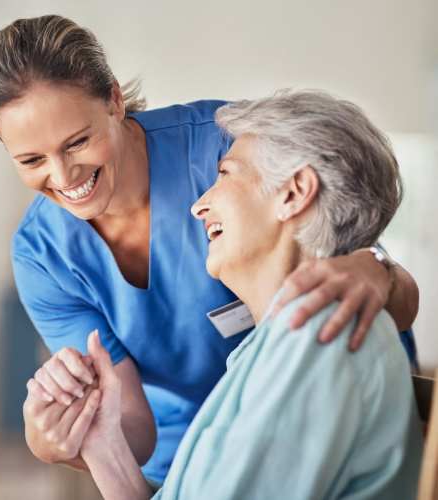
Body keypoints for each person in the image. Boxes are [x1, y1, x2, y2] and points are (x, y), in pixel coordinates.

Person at [0, 15, 420, 484]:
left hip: (314, 408)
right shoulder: (43, 253)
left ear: (113, 99)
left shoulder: (230, 149)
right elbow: (125, 420)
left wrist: (376, 268)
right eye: (31, 160)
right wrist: (71, 434)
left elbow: (356, 240)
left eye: (78, 142)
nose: (64, 177)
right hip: (194, 457)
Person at [77, 90, 424, 500]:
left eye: (225, 174)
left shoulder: (318, 337)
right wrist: (104, 446)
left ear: (294, 193)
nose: (198, 206)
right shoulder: (275, 343)